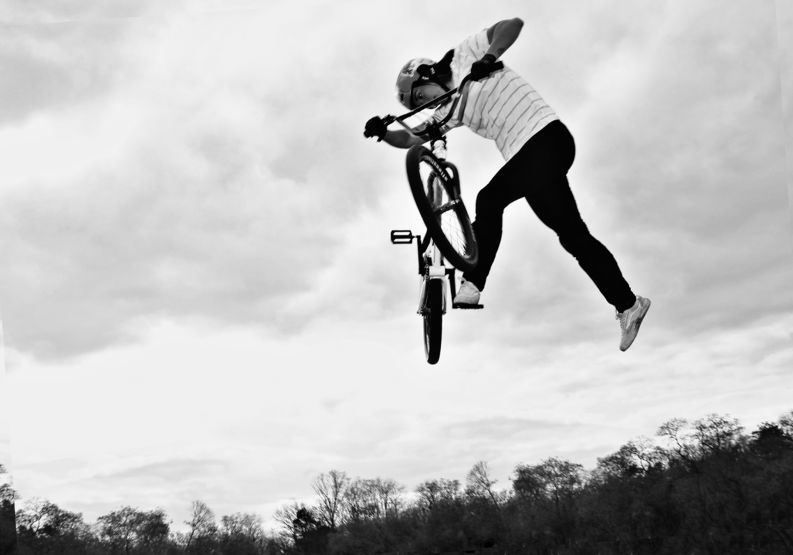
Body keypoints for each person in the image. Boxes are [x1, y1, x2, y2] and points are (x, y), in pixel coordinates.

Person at [363, 18, 650, 351]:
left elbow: (512, 25)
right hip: (530, 164)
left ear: (426, 75)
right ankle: (628, 304)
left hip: (546, 137)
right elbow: (411, 138)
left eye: (420, 97)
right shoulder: (447, 111)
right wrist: (384, 133)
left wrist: (490, 57)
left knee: (489, 199)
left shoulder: (464, 54)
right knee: (573, 237)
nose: (424, 105)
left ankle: (473, 281)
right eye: (417, 106)